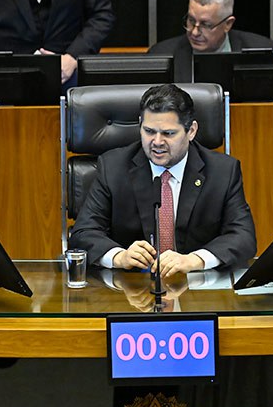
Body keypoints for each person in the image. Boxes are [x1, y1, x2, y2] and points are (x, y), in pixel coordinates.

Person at [68, 83, 256, 275]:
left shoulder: (223, 171)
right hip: (131, 290)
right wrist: (119, 257)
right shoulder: (113, 166)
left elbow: (243, 237)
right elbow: (83, 233)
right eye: (149, 131)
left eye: (168, 133)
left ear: (191, 131)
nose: (157, 142)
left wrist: (195, 259)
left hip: (197, 289)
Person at [148, 0, 273, 82]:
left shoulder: (260, 50)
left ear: (228, 24)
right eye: (191, 21)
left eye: (206, 25)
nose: (194, 32)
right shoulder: (161, 54)